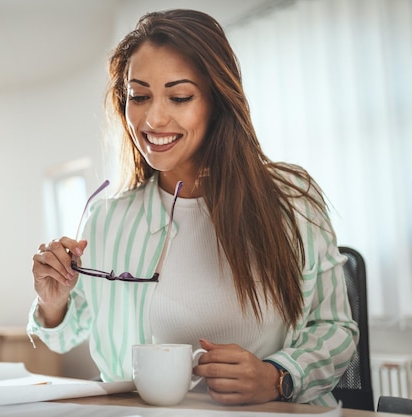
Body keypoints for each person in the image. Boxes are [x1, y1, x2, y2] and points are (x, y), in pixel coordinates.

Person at [27, 9, 358, 407]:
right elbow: (63, 335)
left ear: (218, 101)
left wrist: (278, 375)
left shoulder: (291, 199)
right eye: (139, 96)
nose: (153, 117)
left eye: (179, 97)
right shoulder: (108, 219)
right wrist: (53, 300)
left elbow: (335, 328)